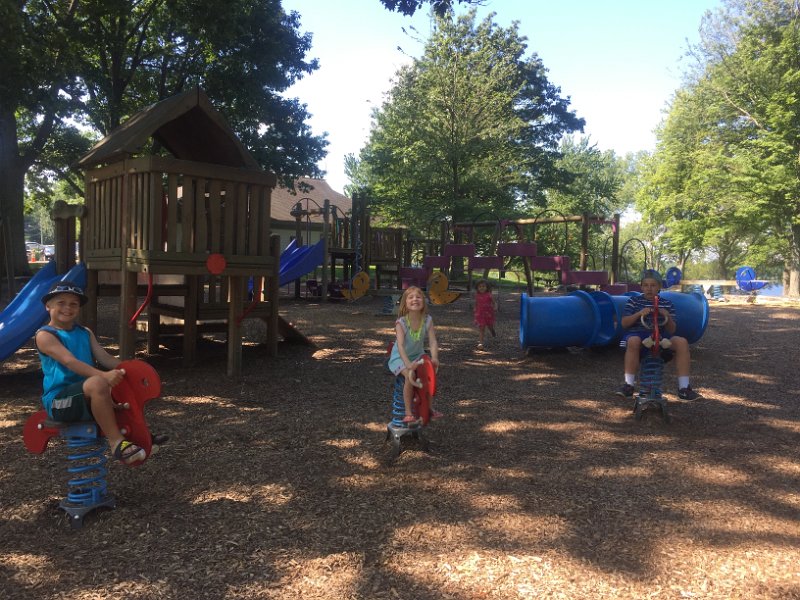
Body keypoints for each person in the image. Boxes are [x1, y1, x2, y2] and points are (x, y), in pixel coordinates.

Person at [35, 281, 162, 464]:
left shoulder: (85, 332)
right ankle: (116, 442)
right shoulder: (45, 335)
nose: (67, 308)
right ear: (48, 306)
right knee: (98, 383)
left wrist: (131, 369)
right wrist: (103, 375)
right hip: (59, 402)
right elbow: (70, 361)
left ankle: (140, 434)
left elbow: (105, 358)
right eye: (61, 303)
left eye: (73, 304)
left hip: (87, 394)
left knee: (120, 385)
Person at [615, 269, 703, 401]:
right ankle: (628, 385)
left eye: (653, 285)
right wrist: (639, 314)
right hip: (638, 336)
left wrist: (667, 317)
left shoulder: (667, 304)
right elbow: (624, 323)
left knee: (682, 342)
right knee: (633, 340)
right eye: (646, 285)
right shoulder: (633, 301)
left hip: (660, 337)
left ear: (659, 287)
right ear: (641, 287)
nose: (649, 289)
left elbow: (672, 330)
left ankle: (684, 388)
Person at [386, 286, 442, 423]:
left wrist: (435, 357)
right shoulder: (401, 323)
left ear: (424, 301)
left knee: (428, 375)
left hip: (417, 355)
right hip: (400, 357)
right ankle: (408, 413)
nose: (415, 299)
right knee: (409, 376)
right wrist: (408, 364)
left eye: (418, 297)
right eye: (411, 297)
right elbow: (400, 346)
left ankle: (429, 408)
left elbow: (433, 341)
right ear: (405, 303)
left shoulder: (427, 320)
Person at [473, 279, 497, 350]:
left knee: (490, 326)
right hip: (480, 315)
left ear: (487, 287)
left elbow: (494, 303)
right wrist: (475, 309)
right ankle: (480, 343)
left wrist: (495, 307)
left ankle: (492, 330)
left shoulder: (489, 295)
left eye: (483, 286)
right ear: (477, 288)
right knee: (482, 329)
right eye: (480, 286)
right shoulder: (477, 295)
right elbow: (476, 303)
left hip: (488, 314)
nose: (482, 288)